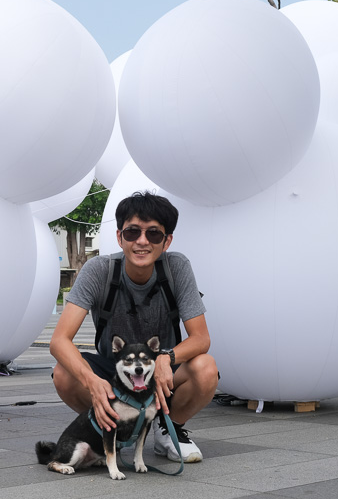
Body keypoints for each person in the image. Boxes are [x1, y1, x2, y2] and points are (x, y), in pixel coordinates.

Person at [50, 191, 219, 463]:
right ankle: (110, 427)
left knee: (205, 368)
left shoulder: (176, 267)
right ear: (119, 237)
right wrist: (91, 381)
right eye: (132, 232)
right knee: (64, 374)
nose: (142, 241)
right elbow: (59, 340)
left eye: (153, 234)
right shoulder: (99, 271)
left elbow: (201, 338)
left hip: (161, 372)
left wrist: (167, 357)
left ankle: (168, 428)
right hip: (116, 371)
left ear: (167, 241)